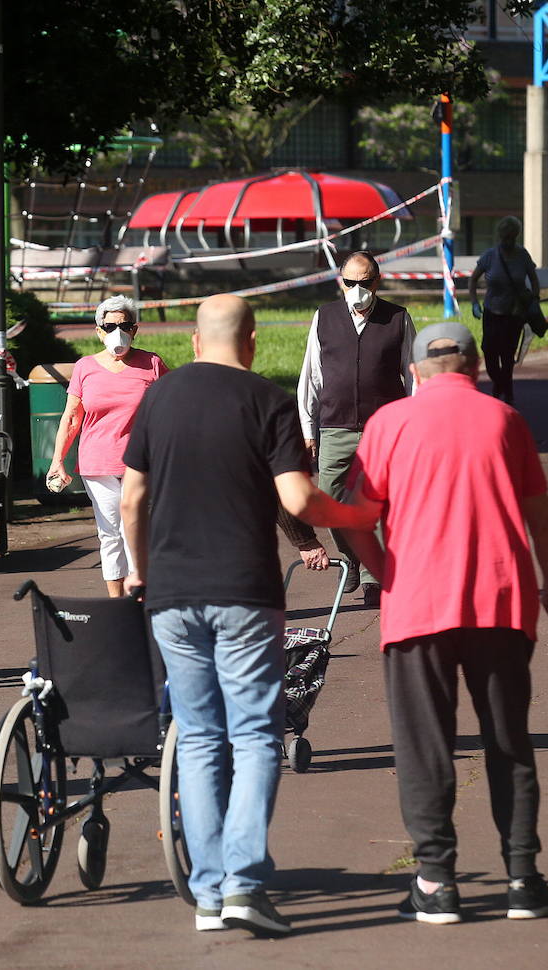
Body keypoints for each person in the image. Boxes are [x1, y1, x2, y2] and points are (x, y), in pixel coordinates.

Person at [120, 294, 376, 937]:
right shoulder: (267, 401)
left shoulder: (161, 396)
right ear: (254, 340)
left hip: (173, 595)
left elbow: (132, 497)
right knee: (256, 737)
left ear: (194, 341)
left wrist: (142, 569)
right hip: (245, 592)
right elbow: (298, 498)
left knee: (200, 739)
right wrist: (359, 516)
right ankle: (244, 887)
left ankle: (208, 894)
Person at [342, 322, 548, 925]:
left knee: (426, 748)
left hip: (417, 606)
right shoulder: (505, 420)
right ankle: (523, 878)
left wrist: (387, 572)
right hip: (500, 603)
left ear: (415, 371)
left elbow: (356, 520)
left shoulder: (388, 424)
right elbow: (541, 518)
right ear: (474, 367)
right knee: (509, 742)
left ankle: (437, 883)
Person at [297, 251, 414, 598]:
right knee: (329, 500)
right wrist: (307, 429)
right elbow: (311, 376)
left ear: (377, 282)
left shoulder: (398, 318)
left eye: (364, 283)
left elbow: (414, 374)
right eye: (350, 283)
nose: (357, 290)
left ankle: (369, 574)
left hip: (386, 430)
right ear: (340, 282)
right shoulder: (325, 317)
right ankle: (350, 558)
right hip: (336, 426)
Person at [46, 295, 167, 596]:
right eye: (110, 325)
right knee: (110, 533)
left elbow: (171, 410)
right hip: (97, 464)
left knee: (137, 532)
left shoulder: (152, 364)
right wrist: (57, 460)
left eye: (125, 325)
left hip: (141, 464)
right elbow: (72, 417)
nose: (118, 331)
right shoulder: (85, 367)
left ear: (135, 330)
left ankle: (142, 599)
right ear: (99, 331)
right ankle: (118, 603)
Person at [469, 215, 541, 404]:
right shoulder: (490, 256)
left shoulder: (522, 255)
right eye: (505, 238)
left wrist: (535, 298)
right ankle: (501, 383)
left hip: (514, 313)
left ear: (516, 236)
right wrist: (474, 302)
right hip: (492, 311)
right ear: (500, 237)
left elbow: (533, 278)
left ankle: (506, 392)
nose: (508, 241)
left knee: (508, 354)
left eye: (511, 237)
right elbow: (473, 279)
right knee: (490, 352)